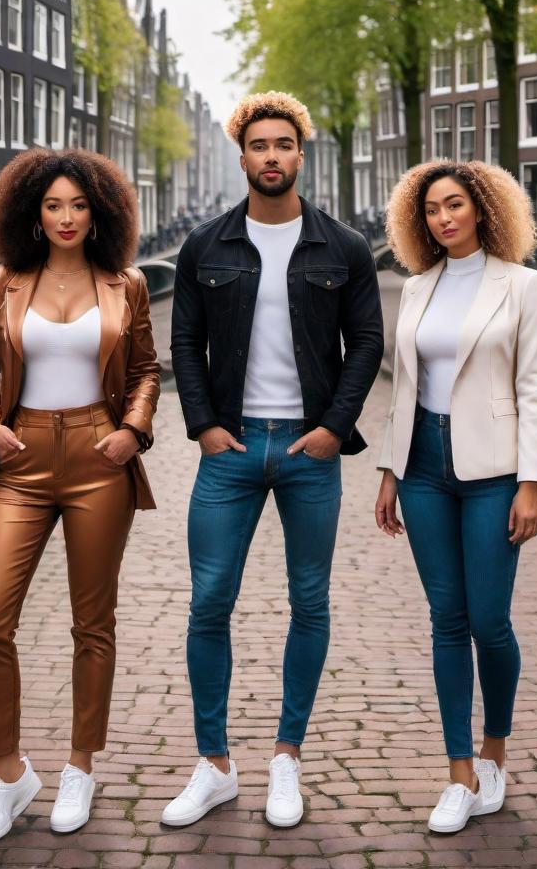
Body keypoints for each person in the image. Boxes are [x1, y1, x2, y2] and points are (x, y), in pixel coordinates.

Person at [164, 91, 384, 829]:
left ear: (300, 152)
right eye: (258, 145)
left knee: (309, 601)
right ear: (242, 156)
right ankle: (214, 765)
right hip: (228, 447)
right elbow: (184, 347)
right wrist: (203, 427)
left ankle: (286, 757)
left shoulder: (344, 248)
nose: (271, 156)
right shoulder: (205, 246)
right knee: (208, 601)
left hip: (307, 448)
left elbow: (368, 348)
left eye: (283, 144)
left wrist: (332, 429)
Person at [0, 148, 160, 844]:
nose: (67, 217)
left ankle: (80, 766)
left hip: (99, 458)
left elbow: (144, 370)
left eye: (79, 205)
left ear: (99, 212)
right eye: (53, 206)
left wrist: (133, 430)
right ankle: (8, 775)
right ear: (31, 214)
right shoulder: (5, 282)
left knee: (91, 623)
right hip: (20, 459)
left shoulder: (125, 284)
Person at [374, 160, 537, 834]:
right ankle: (458, 774)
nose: (443, 218)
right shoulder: (418, 288)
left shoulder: (524, 287)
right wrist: (390, 471)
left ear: (481, 208)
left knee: (489, 622)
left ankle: (495, 751)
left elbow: (536, 388)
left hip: (494, 472)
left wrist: (531, 482)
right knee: (446, 619)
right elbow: (404, 389)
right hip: (422, 466)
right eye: (431, 211)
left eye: (454, 205)